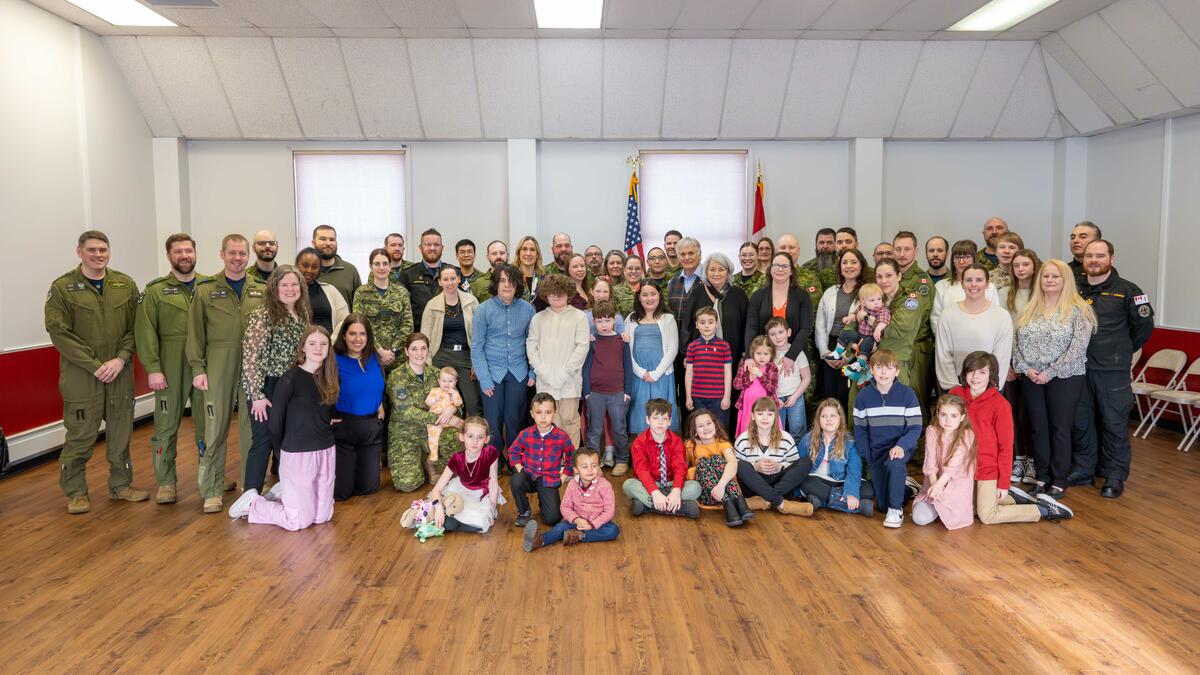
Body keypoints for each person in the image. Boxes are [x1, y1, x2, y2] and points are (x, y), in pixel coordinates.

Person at [46, 230, 147, 514]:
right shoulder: (64, 287)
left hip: (119, 373)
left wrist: (120, 359)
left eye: (103, 249)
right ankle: (76, 492)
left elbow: (134, 328)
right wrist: (95, 365)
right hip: (82, 376)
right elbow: (59, 332)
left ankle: (121, 486)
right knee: (79, 436)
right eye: (92, 250)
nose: (98, 255)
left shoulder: (124, 284)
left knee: (120, 433)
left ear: (109, 252)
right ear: (79, 252)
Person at [228, 326, 338, 530]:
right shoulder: (290, 379)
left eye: (323, 344)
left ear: (329, 348)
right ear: (303, 347)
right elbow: (275, 423)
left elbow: (326, 412)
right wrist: (282, 454)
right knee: (298, 521)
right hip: (297, 453)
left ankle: (283, 492)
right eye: (312, 343)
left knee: (323, 516)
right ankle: (253, 503)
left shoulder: (329, 377)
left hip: (325, 450)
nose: (318, 348)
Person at [187, 234, 267, 513]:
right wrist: (197, 368)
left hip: (253, 368)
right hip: (218, 365)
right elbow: (195, 334)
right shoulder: (206, 290)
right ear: (222, 254)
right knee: (215, 428)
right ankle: (212, 489)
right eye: (232, 253)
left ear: (249, 256)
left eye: (242, 254)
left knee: (253, 429)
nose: (237, 258)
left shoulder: (261, 289)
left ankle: (251, 486)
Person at [1070, 240, 1154, 499]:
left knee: (1114, 424)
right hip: (1078, 369)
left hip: (1111, 371)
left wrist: (1121, 350)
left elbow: (1143, 329)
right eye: (1089, 256)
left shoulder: (1129, 290)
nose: (1094, 260)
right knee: (1081, 422)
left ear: (1112, 259)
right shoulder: (1073, 289)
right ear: (1083, 260)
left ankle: (1114, 476)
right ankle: (1083, 470)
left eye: (1100, 255)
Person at [949, 352, 1074, 524]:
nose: (975, 377)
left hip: (987, 469)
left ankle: (1043, 509)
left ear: (991, 375)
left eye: (982, 372)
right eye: (971, 371)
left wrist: (1003, 483)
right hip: (962, 468)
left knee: (986, 515)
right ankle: (1015, 498)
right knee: (967, 509)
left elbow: (1006, 448)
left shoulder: (1000, 405)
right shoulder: (955, 395)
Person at [135, 234, 208, 505]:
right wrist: (153, 368)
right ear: (169, 256)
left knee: (209, 425)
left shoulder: (209, 286)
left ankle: (209, 475)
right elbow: (145, 333)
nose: (184, 256)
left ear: (195, 254)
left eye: (189, 250)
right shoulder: (155, 291)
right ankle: (166, 483)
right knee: (165, 427)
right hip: (170, 366)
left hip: (203, 366)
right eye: (178, 252)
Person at [1014, 259, 1095, 498]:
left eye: (1055, 277)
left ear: (1065, 280)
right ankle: (1042, 477)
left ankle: (1059, 479)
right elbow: (1017, 343)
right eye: (1045, 276)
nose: (1049, 280)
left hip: (1065, 377)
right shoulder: (1030, 308)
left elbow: (1078, 348)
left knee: (1059, 428)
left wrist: (1051, 371)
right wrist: (1025, 368)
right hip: (1031, 376)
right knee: (1038, 428)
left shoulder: (1079, 310)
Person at [237, 266, 311, 506]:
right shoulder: (264, 314)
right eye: (284, 285)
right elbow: (251, 356)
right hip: (268, 386)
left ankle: (288, 489)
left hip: (293, 385)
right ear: (275, 288)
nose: (290, 290)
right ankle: (250, 497)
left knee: (288, 439)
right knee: (263, 441)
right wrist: (256, 394)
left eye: (294, 284)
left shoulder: (302, 313)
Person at [853, 349, 922, 528]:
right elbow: (860, 429)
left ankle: (896, 509)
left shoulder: (907, 394)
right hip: (877, 451)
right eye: (879, 367)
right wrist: (866, 454)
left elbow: (915, 427)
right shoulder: (863, 397)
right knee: (882, 505)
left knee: (895, 463)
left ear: (897, 371)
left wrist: (901, 446)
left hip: (901, 448)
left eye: (889, 368)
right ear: (872, 370)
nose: (884, 372)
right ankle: (907, 489)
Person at [471, 265, 536, 454]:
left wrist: (532, 371)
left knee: (515, 419)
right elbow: (477, 347)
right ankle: (494, 461)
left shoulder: (527, 309)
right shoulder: (483, 310)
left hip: (518, 372)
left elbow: (532, 344)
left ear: (517, 285)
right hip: (492, 374)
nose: (507, 285)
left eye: (511, 281)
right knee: (493, 421)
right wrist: (484, 378)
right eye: (502, 280)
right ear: (495, 283)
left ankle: (515, 460)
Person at [387, 333, 463, 491]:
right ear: (407, 351)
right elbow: (406, 412)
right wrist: (445, 418)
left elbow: (456, 401)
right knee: (407, 485)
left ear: (429, 350)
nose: (419, 353)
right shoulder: (397, 376)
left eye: (423, 348)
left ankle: (430, 461)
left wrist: (452, 408)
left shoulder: (438, 374)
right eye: (414, 349)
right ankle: (420, 459)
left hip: (434, 430)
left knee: (459, 443)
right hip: (406, 432)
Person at [527, 273, 590, 447]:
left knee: (570, 422)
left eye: (560, 292)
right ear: (546, 294)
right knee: (548, 423)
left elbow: (582, 346)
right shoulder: (538, 318)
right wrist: (542, 370)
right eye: (552, 293)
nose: (556, 296)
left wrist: (566, 371)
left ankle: (570, 465)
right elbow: (532, 346)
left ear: (568, 294)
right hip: (545, 380)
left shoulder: (579, 317)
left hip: (570, 380)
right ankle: (551, 464)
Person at [934, 265, 1013, 393]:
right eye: (969, 280)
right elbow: (943, 354)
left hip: (988, 385)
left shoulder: (1001, 316)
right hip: (956, 384)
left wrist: (991, 384)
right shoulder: (947, 315)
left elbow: (1001, 355)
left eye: (979, 280)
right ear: (962, 283)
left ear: (987, 284)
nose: (974, 284)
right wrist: (953, 387)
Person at [524, 447, 620, 551]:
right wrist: (576, 519)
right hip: (575, 523)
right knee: (559, 528)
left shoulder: (605, 485)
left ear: (599, 467)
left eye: (594, 466)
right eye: (584, 466)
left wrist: (592, 524)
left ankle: (580, 536)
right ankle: (539, 540)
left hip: (598, 524)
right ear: (575, 469)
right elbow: (565, 507)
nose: (590, 470)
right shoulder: (572, 484)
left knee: (613, 530)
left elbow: (609, 511)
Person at [331, 315, 384, 502]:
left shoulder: (374, 358)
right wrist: (326, 416)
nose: (357, 339)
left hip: (370, 428)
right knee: (341, 493)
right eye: (352, 333)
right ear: (344, 335)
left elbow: (376, 384)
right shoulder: (333, 361)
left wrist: (380, 404)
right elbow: (319, 391)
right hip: (344, 429)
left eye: (362, 334)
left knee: (369, 488)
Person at [733, 397, 812, 516]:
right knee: (740, 465)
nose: (765, 418)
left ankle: (765, 500)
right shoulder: (743, 439)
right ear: (753, 416)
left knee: (806, 462)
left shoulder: (786, 437)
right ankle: (781, 503)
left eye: (770, 414)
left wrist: (780, 466)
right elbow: (736, 470)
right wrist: (755, 467)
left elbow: (795, 465)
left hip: (780, 484)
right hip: (754, 487)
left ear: (775, 417)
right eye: (760, 414)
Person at [624, 398, 701, 518]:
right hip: (648, 483)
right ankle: (680, 507)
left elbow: (680, 467)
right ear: (648, 420)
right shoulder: (639, 442)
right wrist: (655, 492)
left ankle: (647, 505)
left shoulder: (676, 441)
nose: (660, 423)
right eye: (655, 418)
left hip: (671, 484)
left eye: (664, 419)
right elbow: (641, 470)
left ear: (670, 421)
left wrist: (676, 490)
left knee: (696, 487)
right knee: (628, 485)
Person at [1005, 248, 1043, 484]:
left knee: (1029, 414)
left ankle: (1032, 460)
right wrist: (1006, 362)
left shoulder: (1042, 294)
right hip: (1010, 362)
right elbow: (1003, 331)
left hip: (1033, 364)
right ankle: (1018, 459)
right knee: (1012, 414)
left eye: (1025, 264)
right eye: (1017, 265)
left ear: (1034, 266)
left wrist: (1027, 363)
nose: (1020, 269)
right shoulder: (1004, 294)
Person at [745, 252, 814, 382]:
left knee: (791, 396)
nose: (780, 269)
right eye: (776, 265)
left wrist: (791, 355)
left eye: (784, 266)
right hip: (763, 358)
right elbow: (751, 328)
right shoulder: (758, 297)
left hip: (795, 356)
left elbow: (806, 328)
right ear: (770, 269)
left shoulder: (802, 296)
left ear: (791, 271)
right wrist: (749, 356)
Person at [911, 394, 977, 530]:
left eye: (953, 416)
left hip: (956, 484)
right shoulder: (932, 431)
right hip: (935, 481)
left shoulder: (967, 434)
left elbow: (953, 467)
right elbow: (930, 463)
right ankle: (933, 504)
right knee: (919, 518)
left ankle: (945, 508)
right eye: (943, 415)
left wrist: (938, 487)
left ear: (962, 418)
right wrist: (934, 487)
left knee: (953, 517)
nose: (947, 420)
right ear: (937, 414)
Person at [427, 416, 504, 533]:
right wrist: (438, 509)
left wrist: (492, 511)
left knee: (482, 523)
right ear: (462, 437)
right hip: (461, 492)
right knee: (449, 523)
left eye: (480, 437)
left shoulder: (490, 453)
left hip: (481, 496)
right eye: (470, 436)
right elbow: (436, 490)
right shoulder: (457, 459)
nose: (475, 442)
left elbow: (493, 484)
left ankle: (455, 522)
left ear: (487, 439)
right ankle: (448, 519)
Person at [422, 266, 481, 416]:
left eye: (453, 278)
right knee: (442, 400)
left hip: (466, 356)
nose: (449, 282)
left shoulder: (471, 302)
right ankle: (447, 437)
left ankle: (472, 436)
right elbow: (425, 336)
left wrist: (477, 361)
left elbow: (480, 334)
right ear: (440, 282)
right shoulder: (432, 305)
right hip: (442, 355)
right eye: (445, 279)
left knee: (472, 403)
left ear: (459, 279)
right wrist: (427, 363)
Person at [583, 301, 633, 475]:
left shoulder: (622, 341)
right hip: (595, 394)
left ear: (614, 320)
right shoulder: (592, 342)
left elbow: (628, 366)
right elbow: (586, 368)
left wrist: (627, 392)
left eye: (607, 320)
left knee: (619, 428)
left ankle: (621, 460)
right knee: (594, 430)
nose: (604, 325)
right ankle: (593, 464)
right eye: (599, 321)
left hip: (618, 393)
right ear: (594, 322)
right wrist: (587, 392)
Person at [798, 399, 872, 516]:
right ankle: (854, 506)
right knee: (804, 481)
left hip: (841, 482)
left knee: (868, 489)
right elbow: (799, 466)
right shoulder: (808, 440)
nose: (828, 419)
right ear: (818, 420)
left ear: (840, 419)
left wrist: (851, 493)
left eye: (833, 415)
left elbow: (854, 470)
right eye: (824, 416)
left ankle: (821, 501)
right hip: (817, 481)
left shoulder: (850, 442)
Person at [509, 393, 574, 526]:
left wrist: (563, 477)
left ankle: (544, 500)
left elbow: (572, 457)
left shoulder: (562, 436)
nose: (543, 417)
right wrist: (521, 469)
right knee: (516, 480)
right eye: (538, 412)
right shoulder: (525, 434)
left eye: (548, 412)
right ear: (532, 414)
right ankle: (525, 512)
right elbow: (513, 451)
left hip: (548, 480)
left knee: (553, 519)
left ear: (554, 413)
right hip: (529, 475)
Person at [625, 283, 681, 433]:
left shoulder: (668, 318)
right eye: (645, 294)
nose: (649, 298)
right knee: (640, 409)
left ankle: (661, 450)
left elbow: (672, 349)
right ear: (639, 298)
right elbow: (626, 349)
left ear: (659, 295)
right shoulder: (631, 318)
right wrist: (641, 372)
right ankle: (642, 450)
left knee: (660, 412)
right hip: (639, 375)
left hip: (661, 375)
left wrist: (656, 373)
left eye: (653, 293)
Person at [816, 248, 869, 407]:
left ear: (861, 266)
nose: (849, 266)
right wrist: (825, 353)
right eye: (844, 262)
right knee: (830, 394)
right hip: (832, 347)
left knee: (847, 395)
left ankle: (847, 430)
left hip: (855, 349)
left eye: (854, 262)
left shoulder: (867, 293)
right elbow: (820, 324)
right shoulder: (830, 292)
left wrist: (847, 355)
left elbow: (867, 329)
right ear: (839, 267)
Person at [678, 252, 749, 371]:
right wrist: (686, 353)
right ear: (706, 272)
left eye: (721, 269)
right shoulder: (697, 292)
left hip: (733, 357)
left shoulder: (739, 295)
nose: (716, 273)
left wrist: (745, 354)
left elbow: (746, 327)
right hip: (701, 357)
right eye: (712, 269)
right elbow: (687, 325)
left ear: (728, 272)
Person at [684, 408, 753, 526]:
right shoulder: (690, 446)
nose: (706, 428)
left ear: (715, 425)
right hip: (707, 494)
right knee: (703, 462)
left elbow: (732, 463)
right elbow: (682, 468)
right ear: (695, 431)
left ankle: (738, 507)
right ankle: (733, 506)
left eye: (709, 423)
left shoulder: (722, 444)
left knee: (717, 459)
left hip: (728, 493)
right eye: (700, 426)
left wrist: (721, 486)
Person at [352, 248, 414, 372]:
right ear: (370, 266)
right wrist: (379, 350)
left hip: (398, 358)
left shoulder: (401, 292)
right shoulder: (361, 293)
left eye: (385, 263)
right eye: (377, 264)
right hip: (370, 355)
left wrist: (393, 350)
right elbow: (359, 325)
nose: (381, 268)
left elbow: (408, 325)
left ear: (390, 266)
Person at [824, 282, 890, 379]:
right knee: (846, 334)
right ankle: (837, 352)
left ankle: (860, 363)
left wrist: (878, 329)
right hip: (859, 335)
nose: (876, 302)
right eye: (872, 300)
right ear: (863, 302)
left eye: (879, 299)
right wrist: (850, 318)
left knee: (865, 344)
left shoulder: (882, 310)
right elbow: (855, 315)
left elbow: (884, 321)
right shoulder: (862, 308)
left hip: (870, 337)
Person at [930, 240, 998, 334]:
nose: (961, 261)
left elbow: (994, 317)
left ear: (974, 259)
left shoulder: (989, 287)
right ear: (952, 261)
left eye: (966, 257)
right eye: (957, 257)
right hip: (950, 342)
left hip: (982, 341)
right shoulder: (942, 286)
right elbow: (936, 319)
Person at [766, 317, 811, 439]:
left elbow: (807, 378)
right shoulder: (767, 355)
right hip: (775, 398)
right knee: (776, 431)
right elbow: (764, 380)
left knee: (798, 430)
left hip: (795, 397)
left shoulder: (797, 353)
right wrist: (774, 396)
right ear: (768, 337)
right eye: (773, 334)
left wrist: (795, 396)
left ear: (789, 332)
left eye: (781, 332)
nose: (778, 337)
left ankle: (800, 456)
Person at [684, 307, 733, 420]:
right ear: (697, 325)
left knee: (720, 428)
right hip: (698, 397)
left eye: (710, 322)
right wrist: (688, 397)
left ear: (716, 324)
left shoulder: (724, 345)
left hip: (718, 397)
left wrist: (727, 396)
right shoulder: (692, 346)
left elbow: (728, 373)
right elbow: (689, 373)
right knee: (699, 427)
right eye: (702, 322)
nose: (706, 326)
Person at [400, 228, 452, 332]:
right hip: (418, 334)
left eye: (436, 245)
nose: (432, 248)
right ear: (420, 247)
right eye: (428, 244)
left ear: (442, 248)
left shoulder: (453, 273)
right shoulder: (407, 274)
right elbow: (402, 309)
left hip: (446, 334)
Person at [295, 247, 348, 335]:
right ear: (296, 265)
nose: (309, 270)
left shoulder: (330, 290)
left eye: (315, 267)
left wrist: (333, 341)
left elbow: (344, 320)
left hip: (331, 344)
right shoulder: (289, 292)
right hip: (302, 344)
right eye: (305, 266)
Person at [733, 336, 779, 437]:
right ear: (752, 353)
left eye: (766, 354)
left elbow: (772, 388)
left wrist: (760, 375)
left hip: (766, 406)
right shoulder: (746, 365)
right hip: (748, 406)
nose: (762, 357)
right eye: (758, 353)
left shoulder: (772, 368)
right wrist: (749, 378)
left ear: (771, 354)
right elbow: (736, 385)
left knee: (767, 434)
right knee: (748, 434)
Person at [312, 225, 361, 305]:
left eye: (332, 239)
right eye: (323, 239)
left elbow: (359, 304)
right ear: (313, 243)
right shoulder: (306, 272)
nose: (328, 243)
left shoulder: (350, 270)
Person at [424, 367, 464, 464]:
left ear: (455, 382)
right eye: (444, 381)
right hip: (436, 421)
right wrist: (435, 399)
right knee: (433, 435)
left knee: (464, 427)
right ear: (439, 381)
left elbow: (459, 403)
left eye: (450, 381)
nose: (447, 384)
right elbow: (427, 402)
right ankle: (433, 453)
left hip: (449, 420)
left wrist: (454, 395)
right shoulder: (435, 391)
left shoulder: (454, 392)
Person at [774, 234, 823, 312]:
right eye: (783, 247)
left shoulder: (810, 278)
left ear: (798, 250)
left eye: (791, 247)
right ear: (776, 251)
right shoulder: (765, 278)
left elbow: (815, 309)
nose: (787, 251)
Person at [665, 236, 702, 318]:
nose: (687, 258)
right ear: (678, 257)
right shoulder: (672, 281)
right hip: (677, 330)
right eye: (682, 254)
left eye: (691, 253)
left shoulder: (709, 278)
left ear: (699, 255)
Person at [989, 232, 1024, 299]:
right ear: (996, 252)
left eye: (1012, 247)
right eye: (1002, 247)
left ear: (1020, 252)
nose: (1006, 251)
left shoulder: (1028, 276)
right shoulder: (987, 278)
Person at [1068, 221, 1102, 286]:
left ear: (1097, 242)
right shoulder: (1063, 270)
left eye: (1083, 237)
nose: (1075, 241)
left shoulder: (1105, 270)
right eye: (1072, 237)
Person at [514, 235, 544, 303]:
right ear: (518, 253)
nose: (528, 253)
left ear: (537, 255)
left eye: (532, 250)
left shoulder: (544, 280)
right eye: (524, 249)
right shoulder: (511, 278)